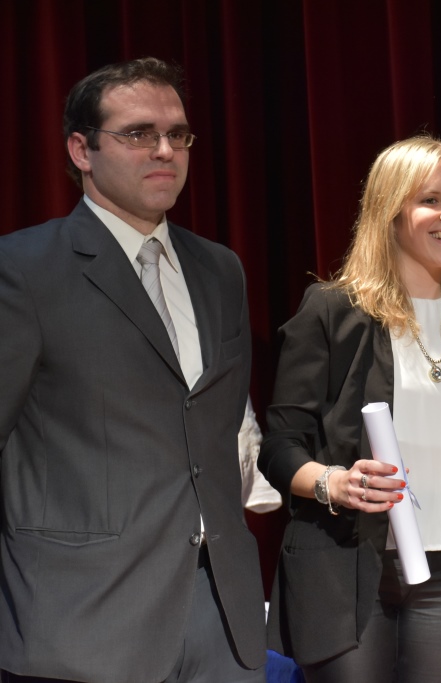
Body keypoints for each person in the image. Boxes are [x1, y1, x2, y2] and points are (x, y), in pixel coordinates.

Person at [0, 58, 266, 682]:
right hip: (81, 620)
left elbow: (215, 425)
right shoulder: (23, 270)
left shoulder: (220, 268)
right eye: (139, 133)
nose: (165, 150)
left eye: (179, 134)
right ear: (81, 149)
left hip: (220, 622)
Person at [258, 136, 441, 683]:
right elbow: (278, 446)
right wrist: (332, 482)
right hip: (347, 567)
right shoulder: (332, 311)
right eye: (430, 200)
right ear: (389, 211)